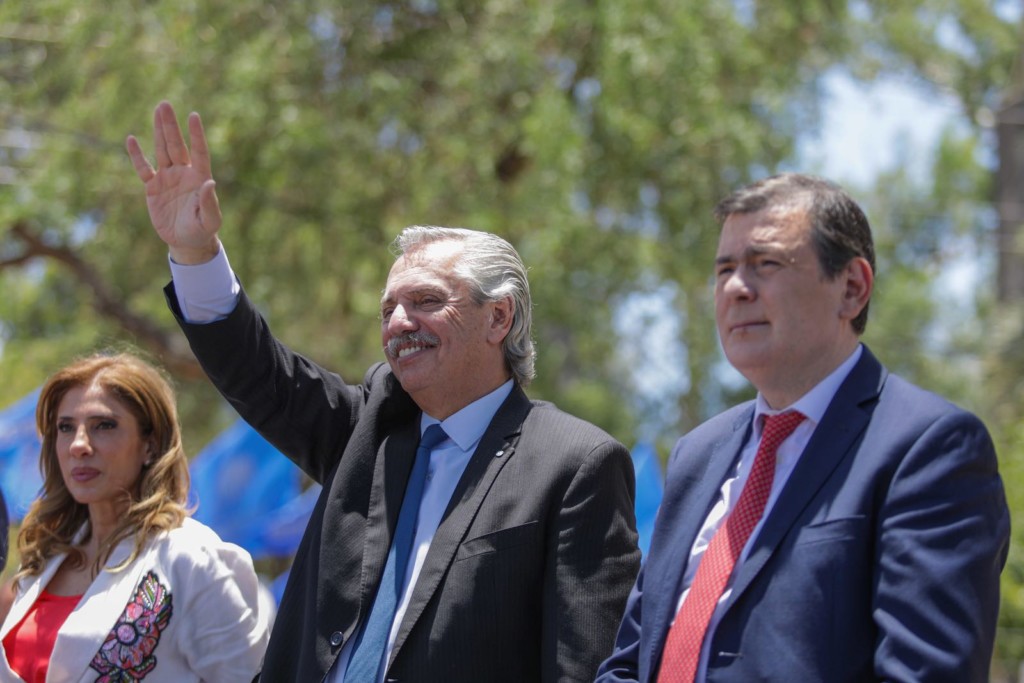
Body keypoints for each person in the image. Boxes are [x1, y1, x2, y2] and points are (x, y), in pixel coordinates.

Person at [125, 101, 641, 683]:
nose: (399, 323)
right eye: (389, 308)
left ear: (498, 318)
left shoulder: (573, 465)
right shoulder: (370, 427)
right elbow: (260, 374)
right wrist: (195, 254)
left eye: (425, 302)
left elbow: (581, 665)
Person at [596, 173, 1010, 683]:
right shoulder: (696, 454)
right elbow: (631, 661)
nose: (736, 289)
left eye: (766, 264)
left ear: (852, 288)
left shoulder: (929, 448)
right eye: (724, 269)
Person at [0, 353, 269, 682]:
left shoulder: (192, 559)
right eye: (66, 427)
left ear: (150, 446)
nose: (79, 445)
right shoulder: (45, 559)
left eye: (104, 426)